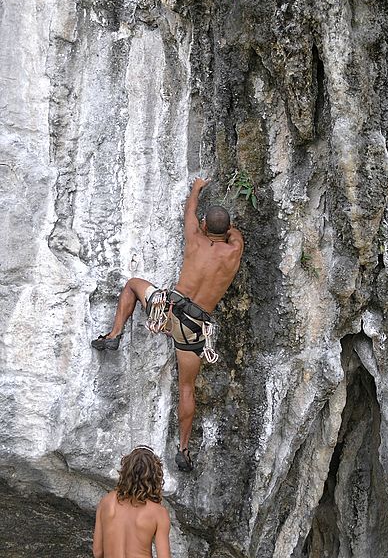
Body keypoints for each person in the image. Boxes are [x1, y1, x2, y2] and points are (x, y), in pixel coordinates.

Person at [91, 178, 244, 471]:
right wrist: (227, 228)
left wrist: (198, 188)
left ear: (202, 226)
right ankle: (184, 450)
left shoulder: (194, 238)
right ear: (227, 230)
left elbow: (190, 210)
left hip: (167, 308)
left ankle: (114, 334)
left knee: (133, 285)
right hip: (193, 327)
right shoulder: (233, 250)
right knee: (186, 388)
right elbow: (234, 234)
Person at [92, 446, 171, 558]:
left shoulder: (107, 501)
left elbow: (98, 552)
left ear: (126, 471)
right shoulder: (158, 513)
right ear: (154, 476)